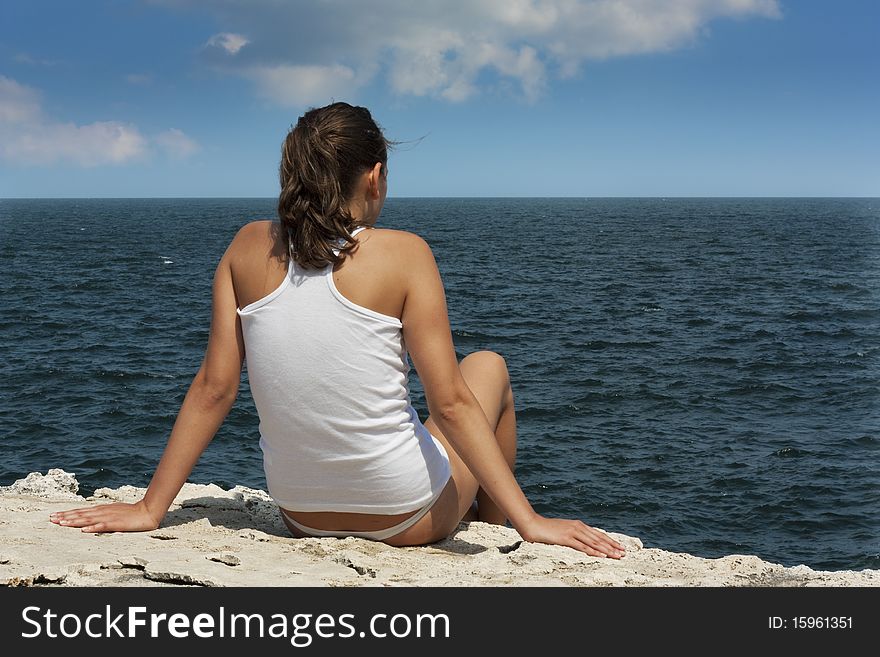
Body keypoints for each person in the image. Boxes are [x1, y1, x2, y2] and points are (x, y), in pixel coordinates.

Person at [49, 102, 625, 559]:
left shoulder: (246, 246)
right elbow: (448, 402)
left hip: (301, 515)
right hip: (408, 517)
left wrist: (151, 509)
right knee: (487, 368)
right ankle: (504, 530)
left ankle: (492, 520)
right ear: (374, 176)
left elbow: (214, 389)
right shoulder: (406, 254)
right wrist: (533, 520)